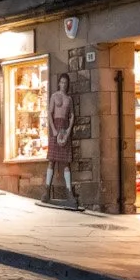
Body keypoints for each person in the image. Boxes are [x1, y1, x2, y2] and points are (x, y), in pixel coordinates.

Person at [44, 71, 78, 205]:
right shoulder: (54, 96)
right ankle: (46, 191)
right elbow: (50, 113)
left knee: (66, 162)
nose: (64, 85)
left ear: (67, 84)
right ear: (59, 83)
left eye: (66, 83)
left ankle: (69, 192)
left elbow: (72, 116)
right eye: (62, 82)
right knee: (52, 160)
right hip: (55, 130)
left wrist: (69, 130)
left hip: (64, 129)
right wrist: (53, 130)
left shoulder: (69, 99)